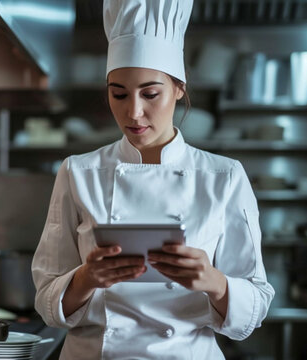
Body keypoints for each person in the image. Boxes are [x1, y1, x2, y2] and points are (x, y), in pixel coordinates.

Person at [31, 0, 275, 358]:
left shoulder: (223, 177)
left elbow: (256, 302)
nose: (133, 112)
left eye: (150, 94)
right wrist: (87, 278)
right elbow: (46, 300)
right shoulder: (78, 172)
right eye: (119, 94)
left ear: (178, 88)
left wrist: (216, 283)